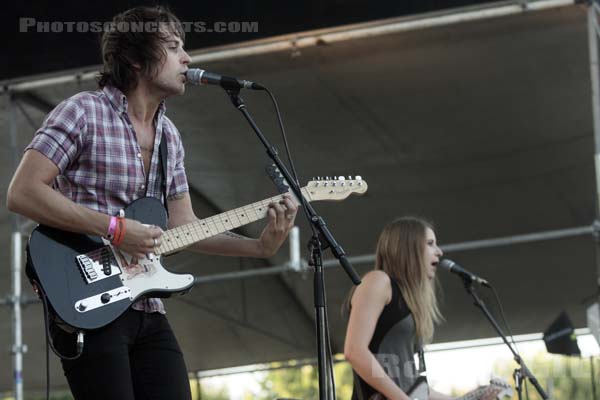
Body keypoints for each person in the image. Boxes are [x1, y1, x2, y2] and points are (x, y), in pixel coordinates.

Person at [6, 6, 297, 400]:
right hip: (88, 299)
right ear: (136, 59)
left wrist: (259, 247)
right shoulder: (83, 112)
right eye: (175, 47)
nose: (188, 58)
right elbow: (22, 192)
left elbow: (182, 227)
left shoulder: (169, 136)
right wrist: (116, 229)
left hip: (147, 306)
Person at [344, 217, 451, 400]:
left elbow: (411, 384)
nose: (439, 252)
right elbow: (355, 351)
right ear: (409, 247)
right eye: (430, 244)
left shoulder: (409, 302)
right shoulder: (378, 281)